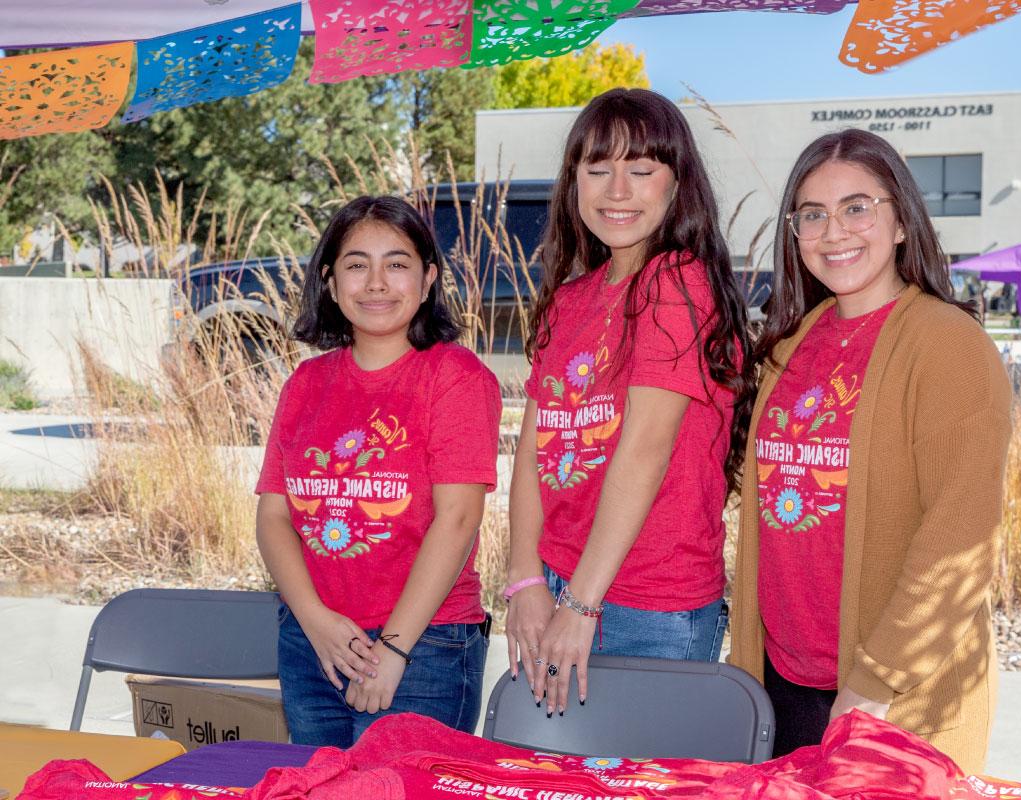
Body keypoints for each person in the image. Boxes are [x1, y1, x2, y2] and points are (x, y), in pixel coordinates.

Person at [729, 129, 1012, 772]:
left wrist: (874, 684)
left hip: (889, 697)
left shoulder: (946, 344)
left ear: (903, 222)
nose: (835, 231)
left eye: (858, 206)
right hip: (781, 682)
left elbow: (960, 534)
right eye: (813, 214)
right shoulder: (791, 344)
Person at [505, 88, 755, 715]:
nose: (617, 189)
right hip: (560, 587)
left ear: (678, 183)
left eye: (641, 170)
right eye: (597, 169)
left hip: (648, 601)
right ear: (573, 182)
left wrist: (581, 605)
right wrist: (526, 582)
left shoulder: (675, 282)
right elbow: (533, 454)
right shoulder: (570, 299)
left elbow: (643, 451)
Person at [255, 195, 501, 747]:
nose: (376, 283)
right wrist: (315, 621)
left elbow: (458, 520)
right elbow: (273, 518)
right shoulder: (305, 385)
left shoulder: (454, 377)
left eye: (397, 264)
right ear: (330, 279)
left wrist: (392, 650)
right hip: (314, 642)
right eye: (355, 264)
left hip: (424, 648)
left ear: (428, 277)